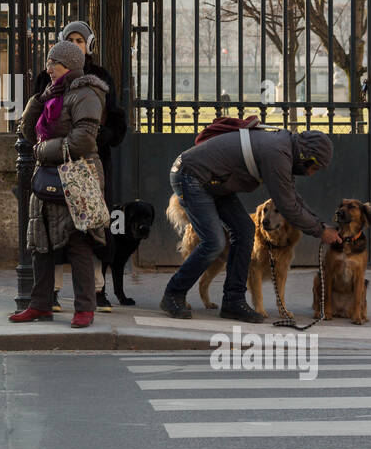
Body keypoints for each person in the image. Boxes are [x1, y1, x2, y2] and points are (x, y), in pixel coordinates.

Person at [162, 127, 342, 322]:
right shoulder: (278, 154)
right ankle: (173, 293)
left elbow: (292, 197)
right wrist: (320, 231)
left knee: (245, 229)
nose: (311, 174)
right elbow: (287, 206)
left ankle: (233, 301)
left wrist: (321, 224)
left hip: (214, 182)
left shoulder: (284, 150)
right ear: (307, 157)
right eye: (313, 168)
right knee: (214, 242)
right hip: (191, 176)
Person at [9, 39, 110, 329]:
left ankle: (84, 309)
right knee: (40, 243)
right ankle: (39, 305)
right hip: (47, 178)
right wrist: (37, 101)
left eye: (54, 63)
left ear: (70, 65)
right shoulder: (51, 95)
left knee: (79, 244)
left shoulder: (86, 94)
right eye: (48, 62)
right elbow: (28, 132)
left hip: (76, 179)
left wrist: (43, 151)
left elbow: (83, 141)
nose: (48, 68)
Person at [32, 20, 127, 313]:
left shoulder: (96, 80)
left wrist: (99, 139)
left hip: (82, 168)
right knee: (48, 234)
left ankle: (95, 293)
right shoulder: (46, 82)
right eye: (70, 39)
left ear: (89, 46)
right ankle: (52, 294)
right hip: (51, 168)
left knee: (86, 233)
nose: (75, 44)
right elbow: (33, 125)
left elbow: (100, 127)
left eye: (80, 40)